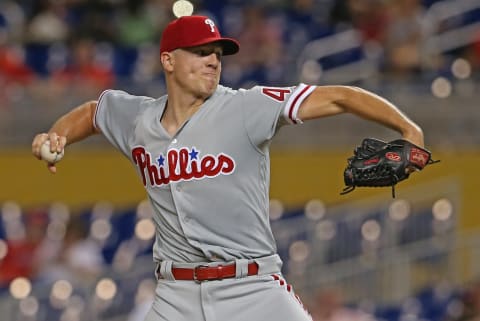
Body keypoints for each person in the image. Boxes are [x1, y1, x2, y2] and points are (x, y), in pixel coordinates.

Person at [31, 15, 425, 321]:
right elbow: (93, 112)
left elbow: (338, 97)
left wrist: (408, 127)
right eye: (200, 52)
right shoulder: (136, 119)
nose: (213, 61)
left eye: (217, 54)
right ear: (168, 60)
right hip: (176, 295)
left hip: (252, 288)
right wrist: (56, 134)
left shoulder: (245, 107)